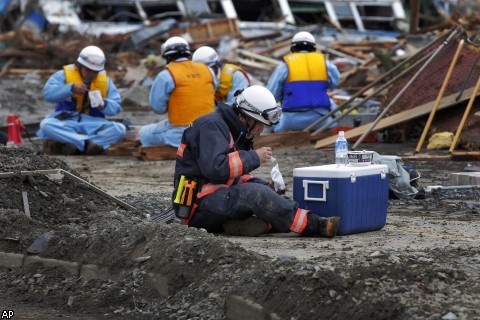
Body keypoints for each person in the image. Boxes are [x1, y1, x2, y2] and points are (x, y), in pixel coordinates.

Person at [173, 85, 340, 237]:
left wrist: (265, 185)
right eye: (260, 124)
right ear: (245, 117)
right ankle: (315, 226)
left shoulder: (235, 132)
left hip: (216, 199)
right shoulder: (211, 126)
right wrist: (254, 157)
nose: (261, 130)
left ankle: (246, 225)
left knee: (270, 196)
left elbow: (235, 176)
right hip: (196, 206)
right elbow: (217, 170)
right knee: (256, 195)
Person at [37, 45, 126, 155]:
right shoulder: (63, 76)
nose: (92, 74)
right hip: (66, 122)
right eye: (88, 70)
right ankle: (87, 144)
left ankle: (79, 143)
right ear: (79, 66)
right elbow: (48, 94)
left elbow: (116, 107)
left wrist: (104, 105)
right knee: (46, 125)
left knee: (119, 129)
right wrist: (70, 88)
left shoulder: (106, 82)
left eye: (95, 72)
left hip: (93, 123)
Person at [139, 37, 215, 147]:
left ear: (167, 55)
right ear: (188, 53)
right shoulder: (208, 70)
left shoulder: (166, 75)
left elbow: (158, 108)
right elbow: (211, 91)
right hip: (210, 131)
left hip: (181, 134)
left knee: (144, 133)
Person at [267, 31, 341, 132]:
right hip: (321, 120)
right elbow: (334, 84)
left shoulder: (284, 66)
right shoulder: (325, 63)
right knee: (334, 110)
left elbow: (272, 96)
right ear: (314, 48)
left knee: (270, 121)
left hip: (290, 122)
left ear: (293, 48)